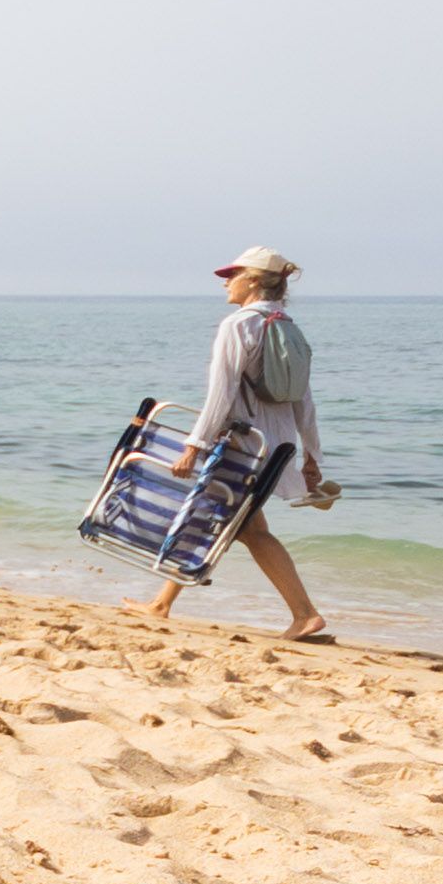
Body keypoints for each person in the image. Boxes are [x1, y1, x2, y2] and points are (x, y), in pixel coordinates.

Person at [128, 246, 326, 640]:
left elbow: (220, 393)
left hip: (242, 445)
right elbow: (304, 399)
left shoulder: (238, 326)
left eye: (232, 274)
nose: (225, 281)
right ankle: (162, 603)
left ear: (253, 280)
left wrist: (194, 446)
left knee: (222, 521)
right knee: (232, 523)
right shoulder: (288, 327)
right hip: (275, 447)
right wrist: (311, 454)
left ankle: (305, 615)